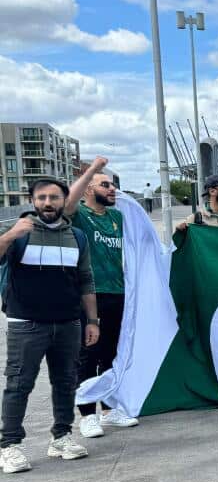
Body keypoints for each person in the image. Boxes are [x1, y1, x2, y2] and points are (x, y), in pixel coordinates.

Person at [1, 178, 98, 473]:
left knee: (66, 381)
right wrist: (9, 236)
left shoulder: (77, 236)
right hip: (27, 323)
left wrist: (92, 320)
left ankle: (61, 437)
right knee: (19, 384)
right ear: (32, 201)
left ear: (64, 201)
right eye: (41, 197)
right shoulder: (19, 232)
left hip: (68, 321)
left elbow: (86, 280)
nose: (47, 203)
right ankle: (9, 445)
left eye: (54, 197)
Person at [63, 157, 140, 437]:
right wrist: (92, 170)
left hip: (117, 293)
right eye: (104, 185)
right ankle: (86, 414)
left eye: (113, 185)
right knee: (87, 354)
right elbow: (67, 204)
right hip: (88, 296)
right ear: (87, 189)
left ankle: (108, 410)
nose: (112, 189)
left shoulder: (117, 217)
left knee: (111, 354)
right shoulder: (80, 215)